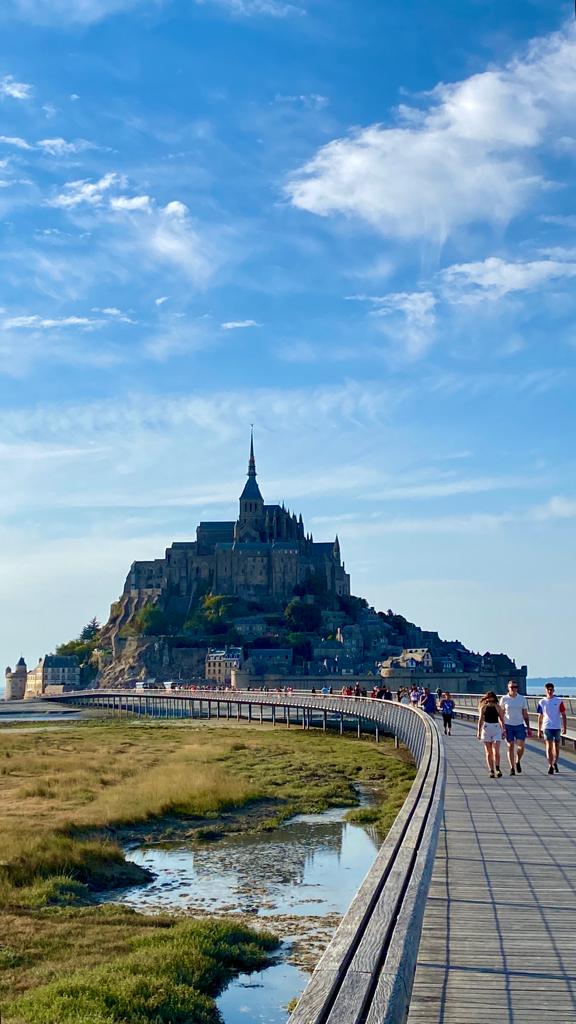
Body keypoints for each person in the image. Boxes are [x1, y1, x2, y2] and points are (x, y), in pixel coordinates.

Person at [499, 679, 530, 776]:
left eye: (515, 687)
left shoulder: (522, 698)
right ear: (508, 688)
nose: (514, 689)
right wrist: (502, 727)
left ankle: (517, 761)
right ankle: (512, 767)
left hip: (520, 725)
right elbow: (501, 714)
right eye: (512, 687)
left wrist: (528, 726)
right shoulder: (504, 699)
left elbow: (525, 713)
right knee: (510, 746)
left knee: (521, 746)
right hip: (508, 725)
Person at [537, 682, 567, 775]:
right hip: (547, 727)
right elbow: (540, 716)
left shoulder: (558, 701)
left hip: (557, 727)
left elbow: (563, 714)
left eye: (551, 689)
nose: (549, 691)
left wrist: (564, 727)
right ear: (545, 690)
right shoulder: (542, 702)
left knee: (556, 747)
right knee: (549, 747)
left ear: (553, 690)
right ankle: (550, 765)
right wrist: (539, 730)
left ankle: (555, 763)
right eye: (548, 689)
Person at [477, 691, 505, 778]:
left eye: (492, 698)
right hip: (486, 728)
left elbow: (501, 719)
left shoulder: (497, 707)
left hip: (496, 728)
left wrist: (503, 729)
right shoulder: (483, 708)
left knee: (496, 751)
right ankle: (491, 770)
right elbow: (480, 720)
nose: (490, 701)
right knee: (488, 752)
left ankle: (497, 768)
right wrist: (478, 731)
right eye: (489, 698)